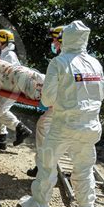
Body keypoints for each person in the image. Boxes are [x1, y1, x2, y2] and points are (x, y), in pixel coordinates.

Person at [19, 20, 104, 207]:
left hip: (63, 126)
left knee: (47, 165)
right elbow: (101, 93)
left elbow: (48, 98)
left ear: (66, 38)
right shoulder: (95, 63)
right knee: (84, 168)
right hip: (89, 126)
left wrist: (51, 100)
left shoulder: (59, 62)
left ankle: (39, 205)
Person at [0, 29, 32, 150]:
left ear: (2, 41)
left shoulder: (9, 56)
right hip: (5, 87)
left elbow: (6, 74)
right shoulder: (1, 53)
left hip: (12, 87)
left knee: (0, 112)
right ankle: (1, 140)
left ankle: (21, 129)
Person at [27, 26, 63, 177]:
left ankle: (43, 167)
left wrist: (45, 101)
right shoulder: (85, 60)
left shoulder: (60, 61)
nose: (53, 43)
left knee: (43, 127)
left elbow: (52, 88)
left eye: (55, 39)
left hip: (61, 105)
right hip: (79, 108)